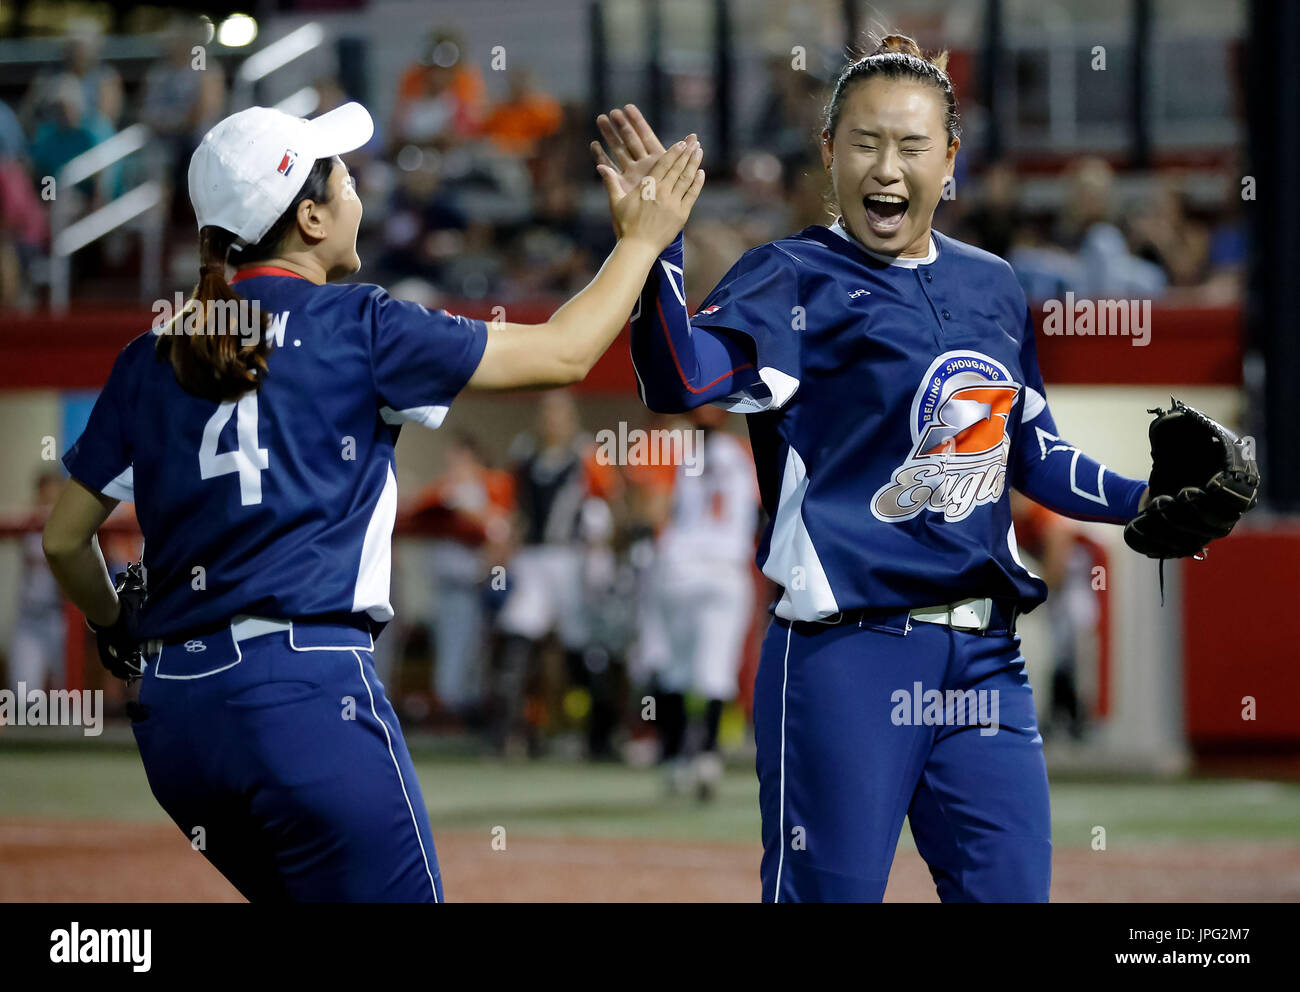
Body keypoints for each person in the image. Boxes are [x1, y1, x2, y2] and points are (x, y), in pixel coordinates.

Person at [41, 100, 703, 902]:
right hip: (304, 693)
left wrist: (115, 622)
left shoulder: (152, 352)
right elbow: (564, 353)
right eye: (346, 179)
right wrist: (641, 241)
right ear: (311, 218)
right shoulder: (359, 323)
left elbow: (63, 541)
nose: (361, 191)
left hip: (180, 722)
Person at [590, 39, 1154, 902]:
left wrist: (1145, 502)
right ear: (828, 152)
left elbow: (1031, 452)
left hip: (986, 663)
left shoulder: (994, 285)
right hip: (845, 655)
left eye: (912, 146)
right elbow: (680, 380)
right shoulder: (790, 278)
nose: (887, 168)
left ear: (951, 160)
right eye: (864, 143)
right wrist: (652, 252)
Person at [640, 405, 759, 800]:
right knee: (716, 669)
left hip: (679, 568)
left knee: (674, 667)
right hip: (727, 569)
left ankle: (675, 760)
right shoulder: (745, 454)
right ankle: (708, 757)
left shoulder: (673, 449)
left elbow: (652, 507)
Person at [6, 472, 67, 702]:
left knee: (67, 696)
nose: (48, 505)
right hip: (29, 618)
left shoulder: (71, 529)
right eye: (45, 498)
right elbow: (10, 520)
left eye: (54, 499)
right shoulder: (27, 522)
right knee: (23, 696)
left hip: (60, 618)